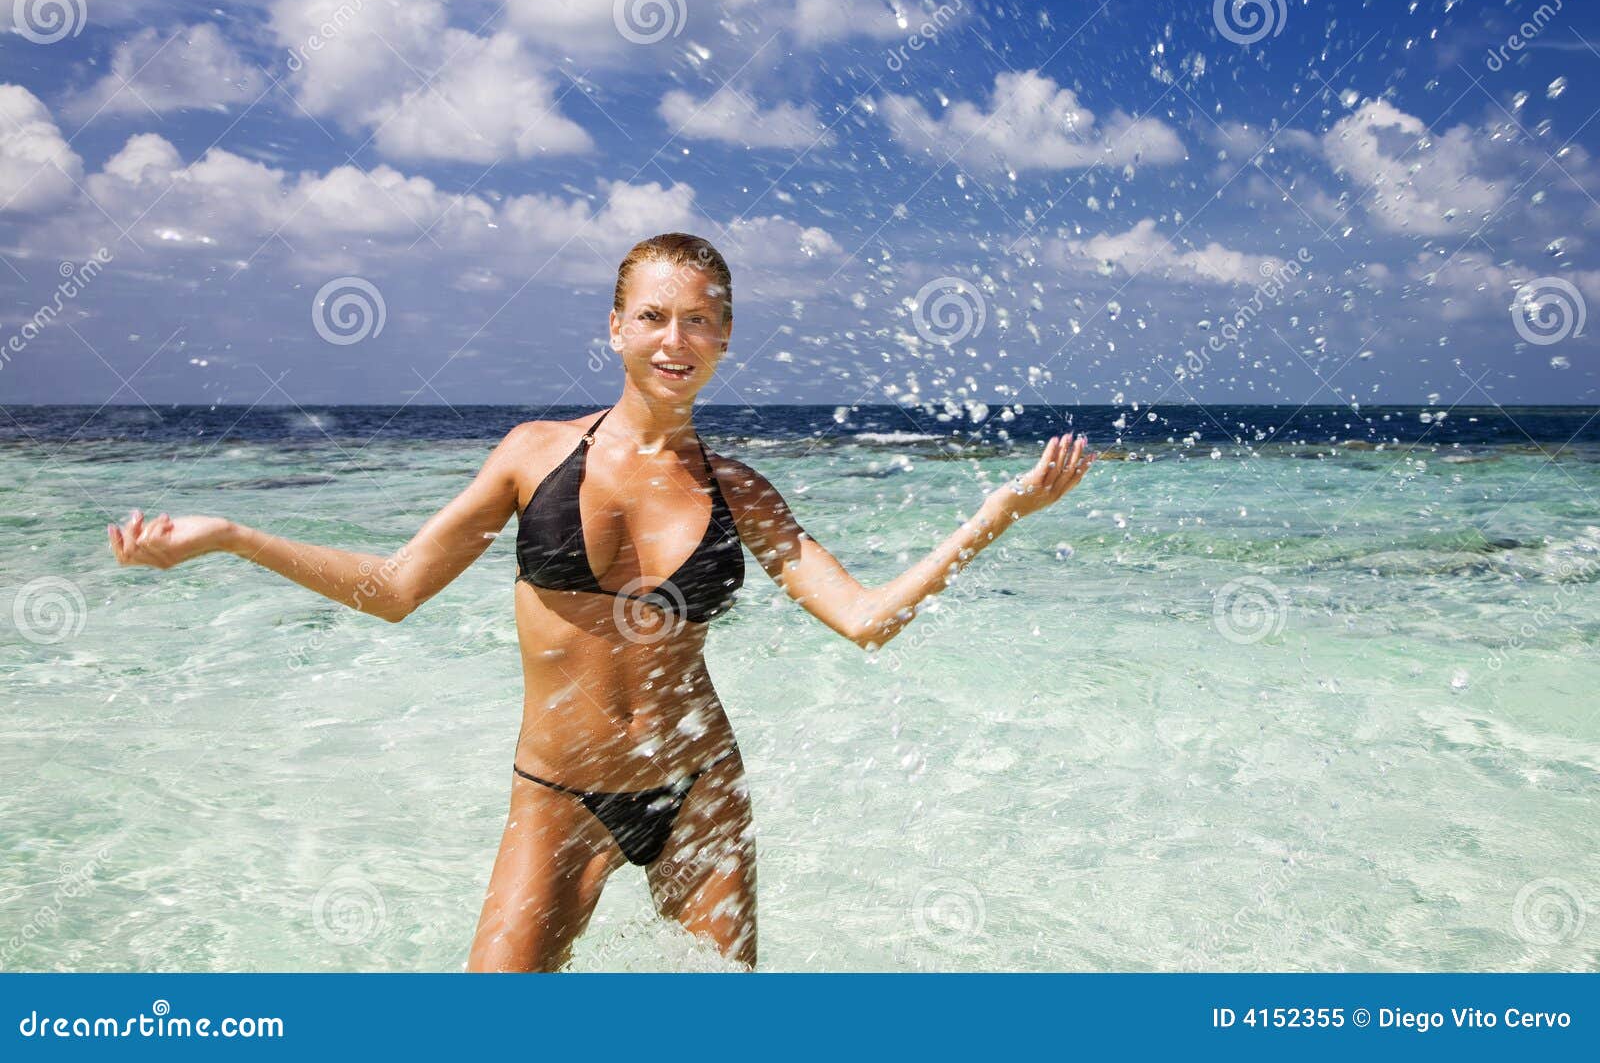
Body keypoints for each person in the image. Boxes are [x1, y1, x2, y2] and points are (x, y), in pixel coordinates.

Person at [106, 232, 1095, 972]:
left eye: (701, 317)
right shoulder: (534, 453)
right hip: (556, 791)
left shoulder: (738, 487)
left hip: (699, 786)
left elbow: (865, 617)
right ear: (616, 327)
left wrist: (1000, 509)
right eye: (656, 315)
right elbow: (395, 588)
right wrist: (231, 536)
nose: (678, 336)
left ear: (726, 338)